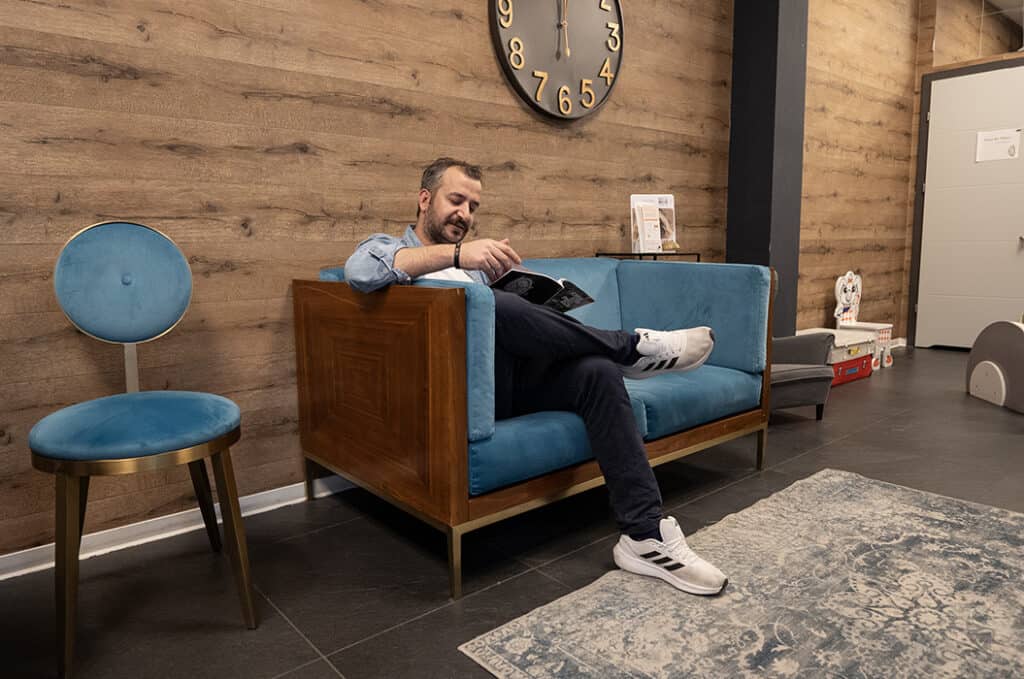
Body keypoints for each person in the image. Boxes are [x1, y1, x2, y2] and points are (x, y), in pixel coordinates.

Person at [344, 157, 727, 595]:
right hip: (457, 395)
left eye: (473, 206)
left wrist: (528, 296)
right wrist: (456, 257)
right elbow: (358, 272)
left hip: (516, 378)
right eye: (456, 200)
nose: (465, 215)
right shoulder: (392, 248)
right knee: (494, 304)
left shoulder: (475, 270)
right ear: (425, 199)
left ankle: (645, 536)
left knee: (597, 372)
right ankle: (631, 347)